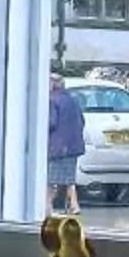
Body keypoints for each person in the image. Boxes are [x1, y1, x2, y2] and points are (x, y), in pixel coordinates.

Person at [47, 69, 85, 216]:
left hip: (56, 147)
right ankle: (74, 205)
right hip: (73, 146)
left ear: (53, 85)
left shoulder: (52, 100)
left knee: (49, 180)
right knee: (69, 179)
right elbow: (82, 121)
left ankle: (47, 208)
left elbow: (50, 123)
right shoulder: (73, 99)